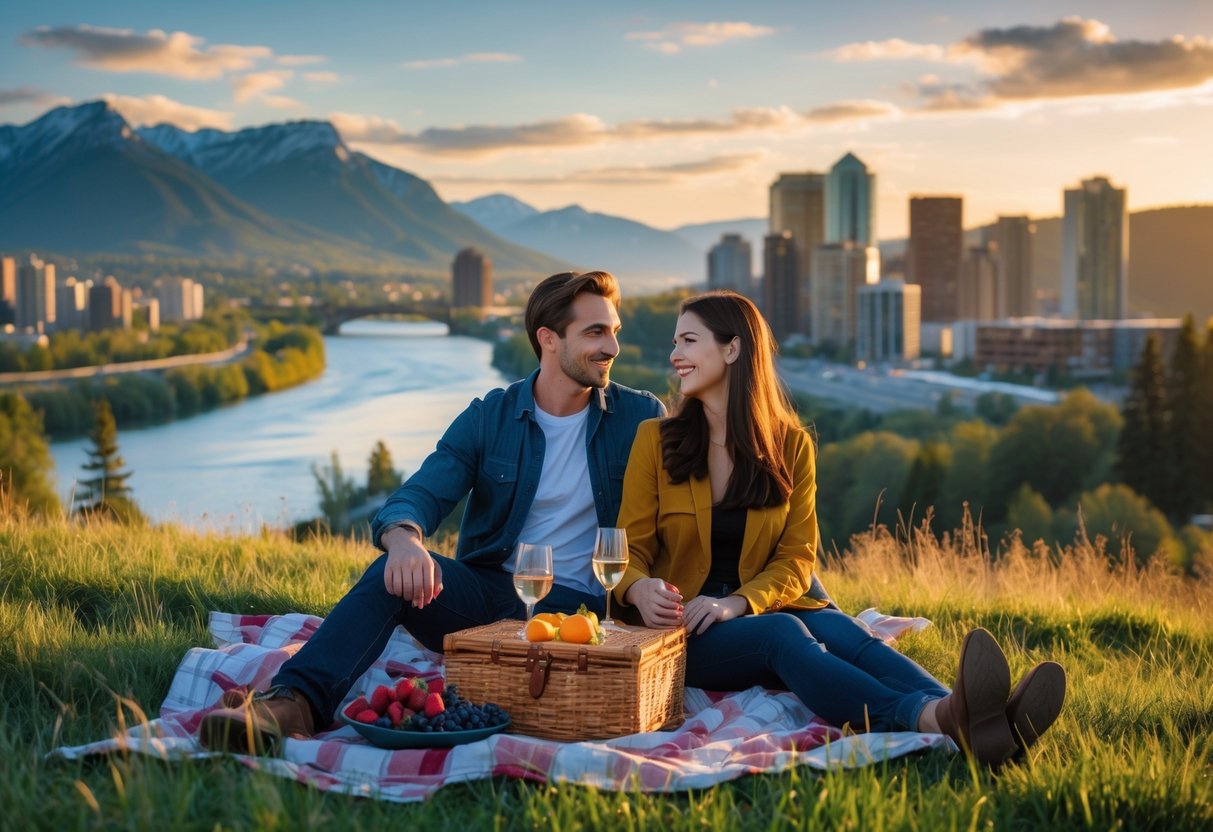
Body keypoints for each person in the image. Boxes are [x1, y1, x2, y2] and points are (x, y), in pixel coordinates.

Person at [200, 270, 665, 753]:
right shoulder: (491, 416)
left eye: (614, 332)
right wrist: (405, 539)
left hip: (581, 612)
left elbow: (694, 497)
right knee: (389, 574)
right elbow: (421, 492)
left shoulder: (640, 416)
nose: (612, 346)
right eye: (595, 332)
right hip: (489, 598)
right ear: (548, 339)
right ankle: (291, 704)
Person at [614, 291, 1066, 766]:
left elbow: (796, 559)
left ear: (732, 349)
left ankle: (978, 719)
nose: (674, 355)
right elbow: (628, 551)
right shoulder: (656, 440)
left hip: (758, 601)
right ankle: (933, 716)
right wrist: (639, 589)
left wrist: (737, 603)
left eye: (688, 340)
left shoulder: (791, 446)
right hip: (688, 628)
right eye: (675, 342)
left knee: (849, 635)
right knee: (782, 634)